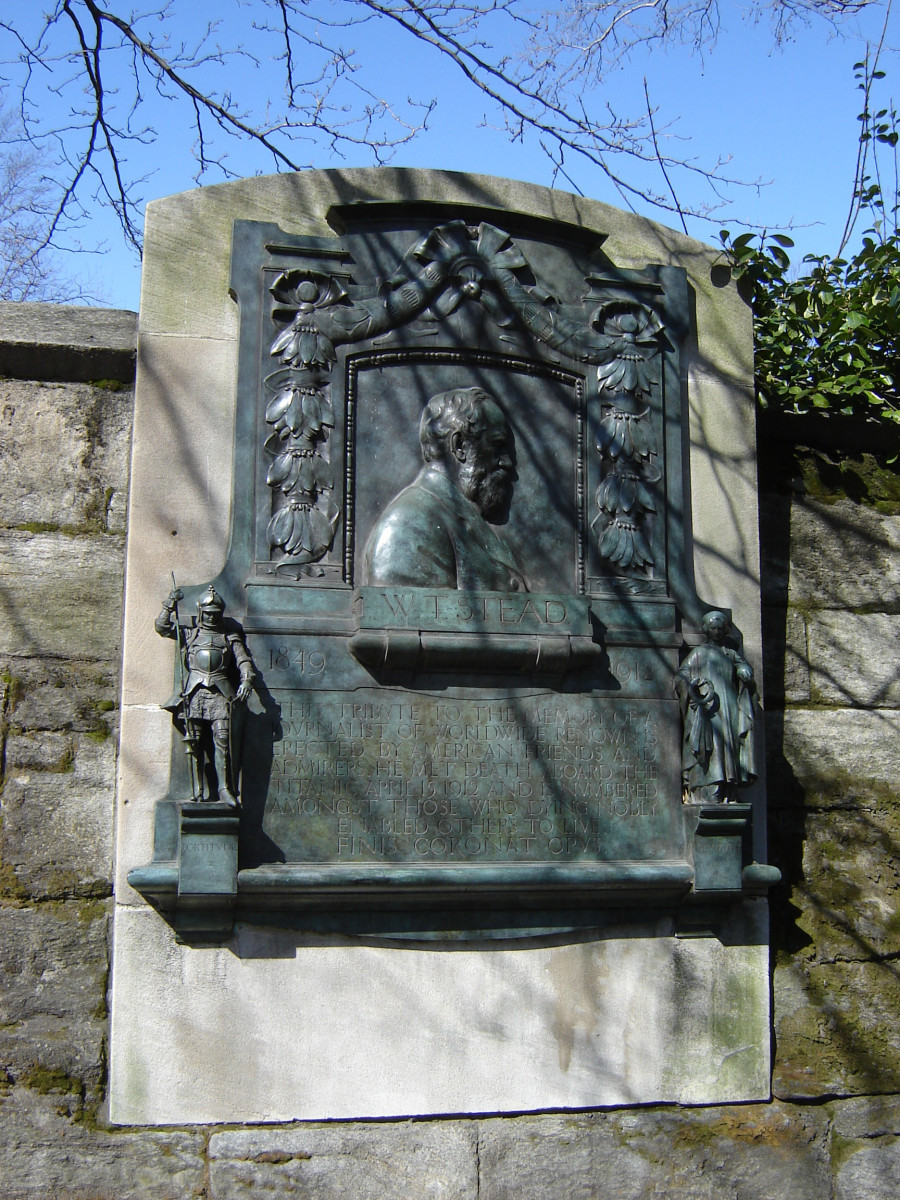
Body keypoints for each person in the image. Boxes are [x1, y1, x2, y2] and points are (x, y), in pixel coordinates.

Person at [363, 386, 528, 591]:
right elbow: (408, 618)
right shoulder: (407, 526)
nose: (507, 462)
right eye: (497, 446)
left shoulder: (459, 514)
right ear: (459, 446)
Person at [155, 584, 255, 805]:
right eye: (208, 614)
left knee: (222, 740)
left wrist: (247, 679)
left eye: (215, 614)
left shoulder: (230, 637)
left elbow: (243, 662)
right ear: (200, 612)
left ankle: (224, 788)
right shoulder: (190, 634)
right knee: (195, 742)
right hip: (194, 693)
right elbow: (162, 627)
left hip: (221, 694)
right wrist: (170, 603)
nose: (211, 618)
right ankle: (198, 789)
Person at [674, 610, 757, 804]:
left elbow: (744, 669)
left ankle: (729, 789)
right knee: (713, 748)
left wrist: (744, 670)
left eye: (720, 628)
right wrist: (691, 689)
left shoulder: (732, 654)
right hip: (709, 711)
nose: (717, 632)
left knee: (730, 747)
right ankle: (710, 791)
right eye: (713, 628)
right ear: (706, 630)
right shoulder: (698, 653)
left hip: (729, 710)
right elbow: (681, 676)